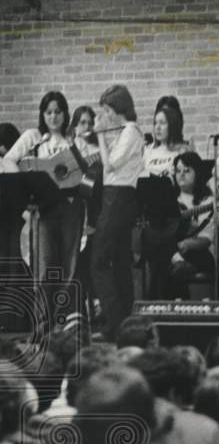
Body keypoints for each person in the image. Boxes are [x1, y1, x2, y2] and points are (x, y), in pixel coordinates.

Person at [1, 91, 85, 323]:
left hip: (71, 207)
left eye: (58, 112)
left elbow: (87, 172)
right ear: (42, 114)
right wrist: (26, 185)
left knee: (69, 265)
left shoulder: (72, 139)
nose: (53, 116)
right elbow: (7, 159)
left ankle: (66, 323)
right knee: (44, 265)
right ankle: (42, 324)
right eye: (48, 112)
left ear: (65, 113)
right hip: (44, 209)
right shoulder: (33, 136)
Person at [91, 85, 145, 340]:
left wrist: (100, 134)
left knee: (98, 261)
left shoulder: (131, 131)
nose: (106, 115)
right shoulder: (126, 132)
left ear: (119, 109)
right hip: (118, 197)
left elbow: (110, 165)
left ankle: (114, 323)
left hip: (118, 198)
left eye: (108, 110)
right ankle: (125, 324)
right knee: (121, 262)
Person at [168, 151, 219, 298]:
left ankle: (179, 304)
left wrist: (187, 244)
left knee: (175, 266)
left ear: (197, 172)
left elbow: (206, 239)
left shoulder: (207, 200)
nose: (181, 174)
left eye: (187, 170)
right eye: (178, 171)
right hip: (172, 250)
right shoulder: (169, 198)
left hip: (197, 252)